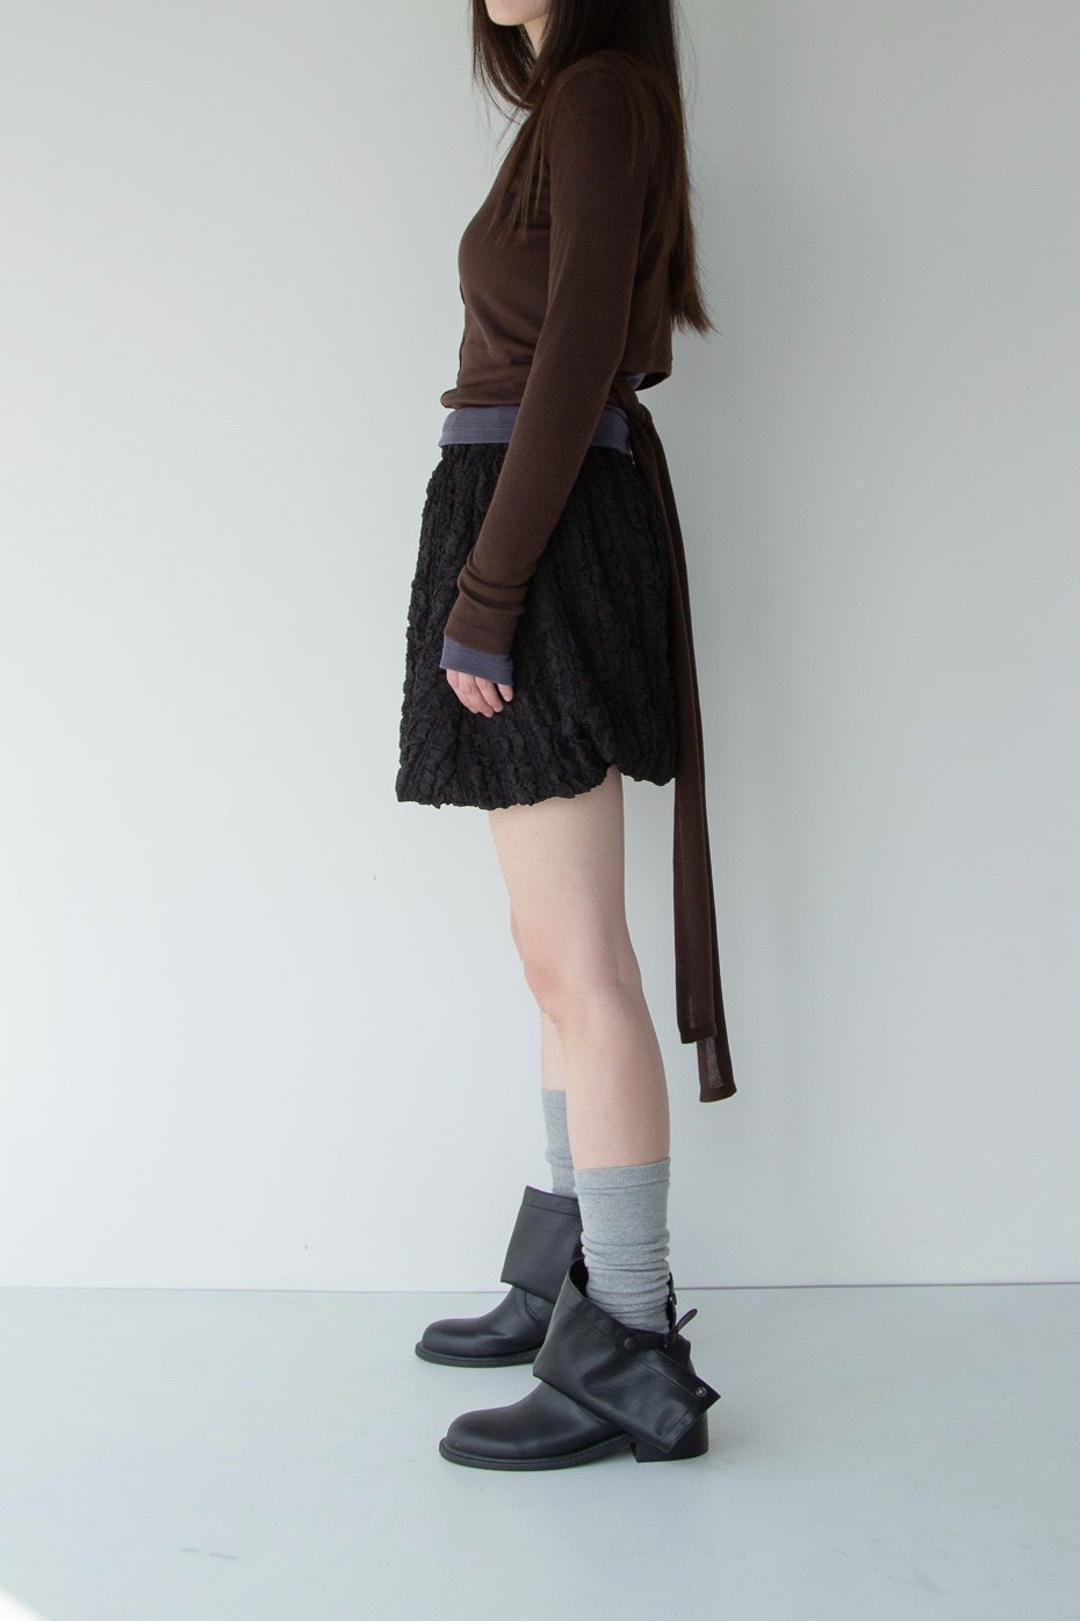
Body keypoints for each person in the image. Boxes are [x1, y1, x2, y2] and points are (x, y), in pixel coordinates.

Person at [395, 0, 737, 1470]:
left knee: (583, 965)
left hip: (535, 536)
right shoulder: (570, 107)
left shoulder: (598, 98)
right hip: (519, 521)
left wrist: (491, 589)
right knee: (556, 958)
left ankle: (631, 1346)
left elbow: (579, 351)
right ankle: (567, 1278)